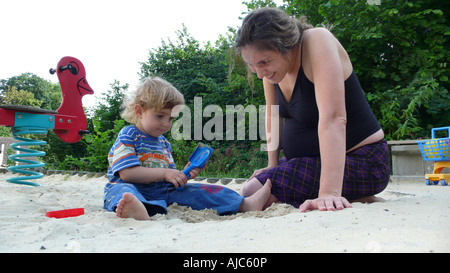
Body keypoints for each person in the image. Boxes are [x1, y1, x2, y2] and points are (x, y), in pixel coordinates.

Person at [233, 7, 390, 212]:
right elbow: (272, 116)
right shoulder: (272, 73)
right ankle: (359, 196)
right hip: (311, 160)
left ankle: (352, 191)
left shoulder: (317, 40)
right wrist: (272, 164)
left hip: (363, 162)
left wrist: (328, 193)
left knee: (257, 190)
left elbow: (334, 118)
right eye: (252, 65)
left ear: (286, 45)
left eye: (264, 62)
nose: (260, 73)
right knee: (251, 186)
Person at [103, 76, 272, 220]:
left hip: (161, 192)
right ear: (139, 111)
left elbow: (169, 178)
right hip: (131, 187)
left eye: (171, 119)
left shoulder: (164, 143)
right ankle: (136, 209)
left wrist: (183, 175)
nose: (166, 124)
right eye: (160, 116)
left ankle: (245, 203)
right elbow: (127, 174)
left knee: (202, 190)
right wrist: (165, 173)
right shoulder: (128, 135)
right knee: (122, 191)